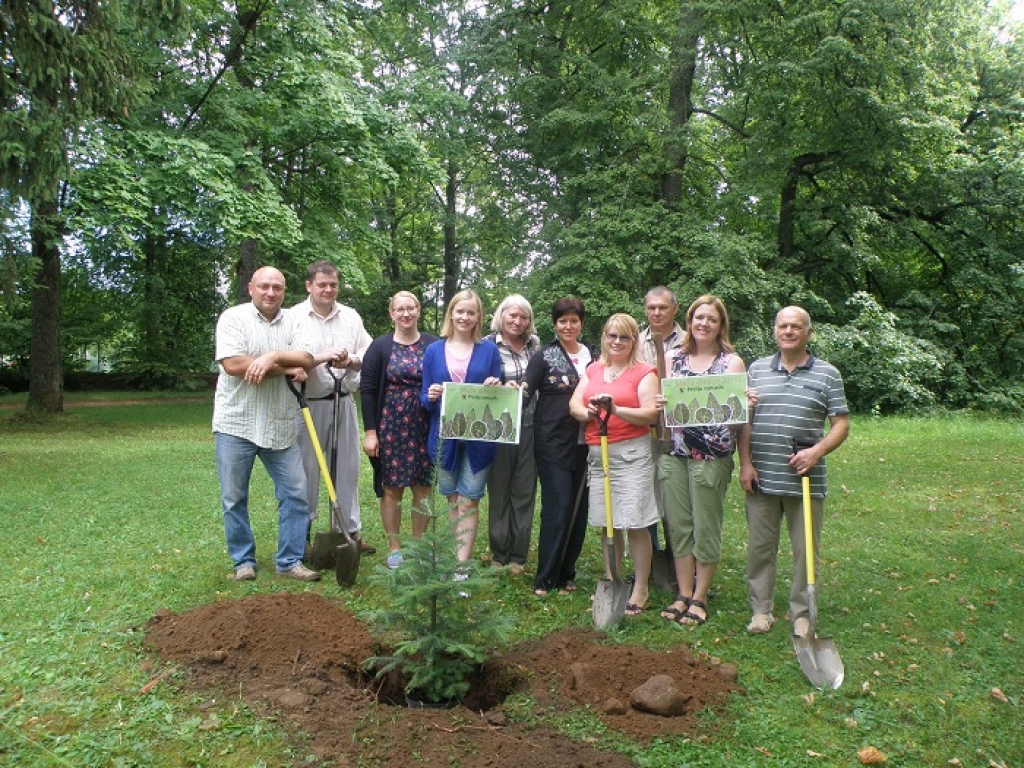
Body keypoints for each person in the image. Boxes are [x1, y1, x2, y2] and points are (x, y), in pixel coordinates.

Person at [738, 306, 850, 637]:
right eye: (783, 326)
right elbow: (744, 421)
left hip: (807, 480)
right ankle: (761, 610)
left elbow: (841, 422)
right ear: (774, 331)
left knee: (805, 550)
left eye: (796, 327)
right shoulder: (756, 370)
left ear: (808, 333)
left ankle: (801, 613)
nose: (788, 331)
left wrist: (816, 452)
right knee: (760, 547)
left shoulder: (828, 374)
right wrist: (745, 463)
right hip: (762, 476)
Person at [213, 266, 320, 582]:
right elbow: (233, 364)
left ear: (284, 291)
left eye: (277, 287)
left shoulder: (296, 320)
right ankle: (243, 562)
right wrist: (287, 368)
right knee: (234, 497)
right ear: (251, 288)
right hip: (236, 423)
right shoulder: (233, 318)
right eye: (264, 286)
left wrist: (271, 357)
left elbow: (307, 359)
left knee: (296, 493)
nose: (271, 292)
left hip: (280, 423)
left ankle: (289, 561)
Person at [657, 296, 747, 627]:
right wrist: (658, 401)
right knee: (679, 526)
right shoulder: (672, 358)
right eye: (698, 317)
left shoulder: (732, 363)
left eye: (711, 319)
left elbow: (739, 420)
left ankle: (700, 596)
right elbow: (661, 405)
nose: (703, 324)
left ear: (721, 325)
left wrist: (744, 404)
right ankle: (683, 592)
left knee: (705, 525)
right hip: (674, 454)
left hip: (712, 456)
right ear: (690, 322)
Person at [569, 313, 660, 615]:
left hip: (632, 453)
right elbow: (575, 404)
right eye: (612, 336)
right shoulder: (594, 369)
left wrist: (616, 409)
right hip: (599, 452)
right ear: (604, 337)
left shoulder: (645, 372)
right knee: (607, 522)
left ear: (634, 340)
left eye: (624, 337)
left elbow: (650, 414)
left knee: (634, 521)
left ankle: (641, 588)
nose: (617, 342)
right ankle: (611, 580)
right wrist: (591, 413)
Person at [289, 260, 374, 557]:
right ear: (309, 285)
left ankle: (348, 533)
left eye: (333, 285)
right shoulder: (294, 317)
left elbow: (369, 352)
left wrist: (350, 359)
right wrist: (306, 365)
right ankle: (304, 538)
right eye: (322, 284)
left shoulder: (350, 317)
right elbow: (286, 357)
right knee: (307, 472)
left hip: (344, 400)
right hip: (308, 406)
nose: (328, 290)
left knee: (347, 469)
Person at [421, 290, 503, 566]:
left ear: (479, 316)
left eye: (471, 312)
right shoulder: (433, 351)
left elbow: (500, 394)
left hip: (479, 438)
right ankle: (454, 558)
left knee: (469, 500)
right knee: (453, 500)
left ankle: (460, 566)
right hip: (444, 437)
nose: (465, 317)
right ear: (451, 314)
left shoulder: (489, 350)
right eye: (460, 311)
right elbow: (424, 398)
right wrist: (431, 395)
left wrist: (495, 385)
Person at [360, 291, 440, 569]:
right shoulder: (380, 347)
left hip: (425, 425)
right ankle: (394, 546)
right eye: (400, 309)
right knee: (391, 488)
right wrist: (371, 432)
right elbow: (368, 390)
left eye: (411, 308)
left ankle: (418, 544)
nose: (406, 314)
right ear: (391, 313)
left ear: (418, 310)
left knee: (424, 487)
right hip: (391, 425)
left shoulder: (433, 344)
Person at [522, 297, 596, 596]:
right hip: (553, 443)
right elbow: (524, 395)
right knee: (559, 507)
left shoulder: (592, 356)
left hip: (586, 444)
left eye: (574, 320)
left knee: (579, 510)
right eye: (563, 321)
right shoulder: (544, 356)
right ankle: (545, 577)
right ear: (554, 324)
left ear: (581, 323)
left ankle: (567, 573)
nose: (568, 326)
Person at [486, 295, 541, 576]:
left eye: (523, 317)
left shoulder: (536, 346)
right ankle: (499, 552)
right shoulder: (486, 345)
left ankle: (518, 555)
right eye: (512, 316)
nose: (518, 322)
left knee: (524, 491)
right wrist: (495, 385)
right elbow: (476, 385)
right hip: (498, 428)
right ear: (502, 315)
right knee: (499, 491)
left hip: (531, 425)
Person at [638, 286, 687, 562]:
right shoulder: (635, 341)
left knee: (677, 498)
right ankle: (652, 557)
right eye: (651, 307)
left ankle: (678, 557)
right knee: (647, 493)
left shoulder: (689, 339)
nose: (656, 312)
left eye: (663, 307)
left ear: (674, 309)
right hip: (645, 430)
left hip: (681, 431)